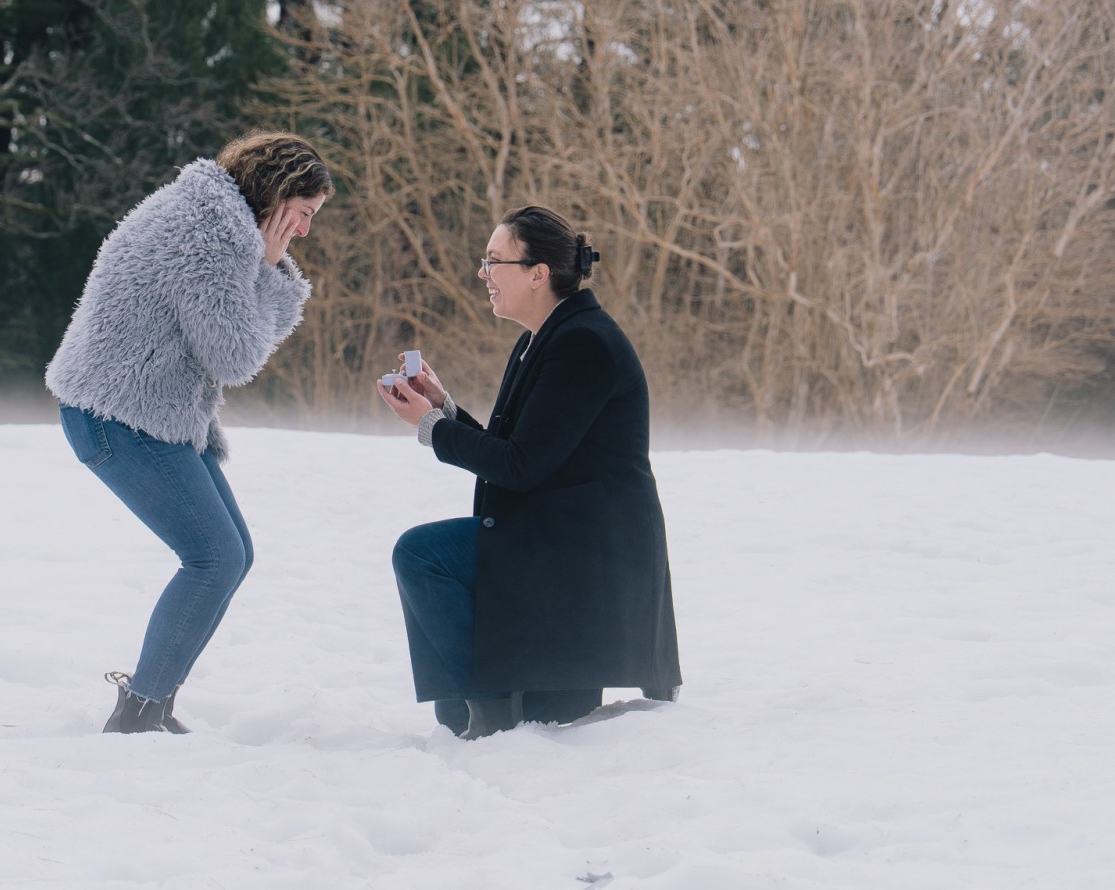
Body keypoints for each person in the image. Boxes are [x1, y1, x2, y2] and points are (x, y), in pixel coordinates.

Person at [46, 132, 333, 734]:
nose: (304, 231)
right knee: (214, 557)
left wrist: (264, 265)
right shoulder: (205, 238)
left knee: (233, 555)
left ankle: (152, 702)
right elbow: (235, 356)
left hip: (147, 413)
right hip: (119, 417)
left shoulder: (209, 220)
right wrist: (269, 264)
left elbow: (234, 340)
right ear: (277, 197)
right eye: (303, 214)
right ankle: (141, 712)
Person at [377, 206, 681, 739]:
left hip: (583, 562)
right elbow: (517, 450)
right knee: (486, 715)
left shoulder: (583, 344)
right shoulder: (545, 338)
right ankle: (483, 705)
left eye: (494, 261)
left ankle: (488, 706)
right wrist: (443, 408)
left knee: (420, 553)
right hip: (555, 544)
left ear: (538, 273)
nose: (482, 273)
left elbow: (519, 466)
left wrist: (428, 427)